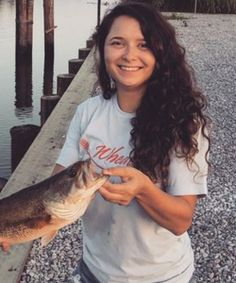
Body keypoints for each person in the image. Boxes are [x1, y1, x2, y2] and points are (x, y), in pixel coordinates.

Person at [53, 2, 210, 283]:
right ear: (102, 49)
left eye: (143, 45)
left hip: (162, 276)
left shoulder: (184, 122)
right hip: (93, 269)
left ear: (161, 53)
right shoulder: (87, 112)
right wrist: (20, 224)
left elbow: (181, 220)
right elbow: (56, 186)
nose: (129, 55)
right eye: (117, 42)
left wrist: (143, 190)